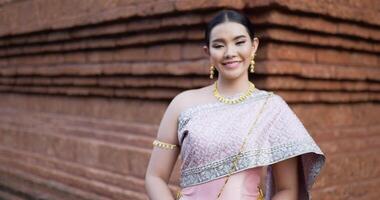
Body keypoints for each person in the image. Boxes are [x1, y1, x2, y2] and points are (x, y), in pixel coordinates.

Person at [145, 9, 325, 200]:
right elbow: (155, 177)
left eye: (239, 42)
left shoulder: (271, 108)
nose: (230, 53)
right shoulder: (183, 104)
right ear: (208, 52)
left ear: (254, 46)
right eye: (219, 45)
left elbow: (287, 189)